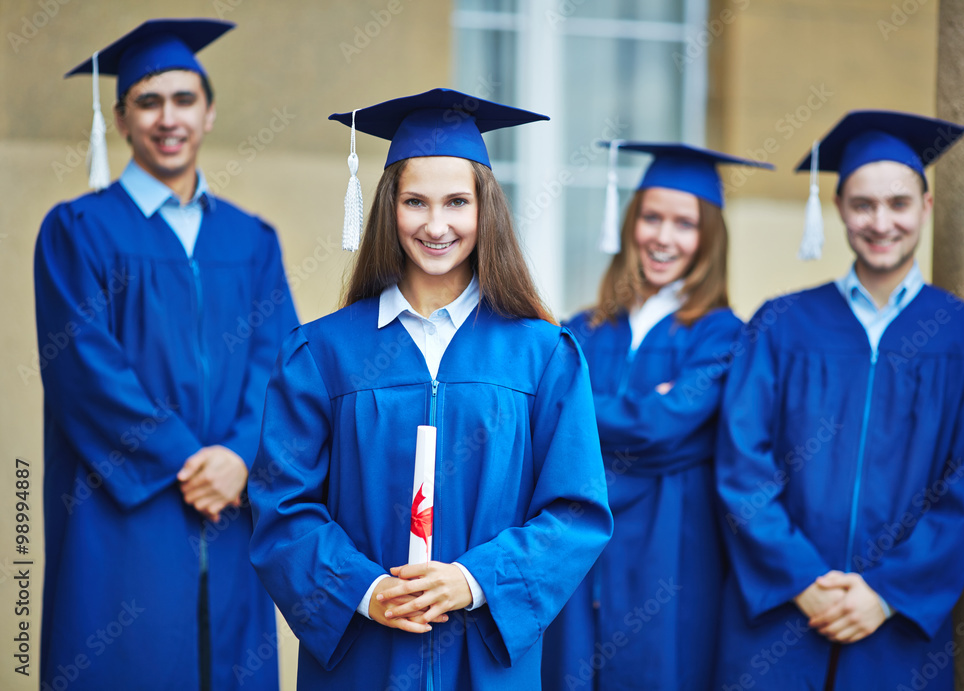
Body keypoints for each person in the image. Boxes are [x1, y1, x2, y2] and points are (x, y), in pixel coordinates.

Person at [247, 88, 613, 690]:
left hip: (486, 658)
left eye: (456, 203)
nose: (436, 225)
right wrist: (364, 591)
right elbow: (281, 507)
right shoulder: (324, 353)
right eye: (415, 201)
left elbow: (575, 512)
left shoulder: (542, 355)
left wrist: (473, 581)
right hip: (366, 654)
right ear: (389, 208)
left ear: (484, 211)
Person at [35, 19, 298, 691]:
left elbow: (280, 366)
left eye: (184, 99)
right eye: (148, 102)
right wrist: (188, 460)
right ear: (120, 118)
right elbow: (85, 371)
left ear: (208, 113)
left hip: (234, 513)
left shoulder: (252, 239)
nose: (168, 117)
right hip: (124, 511)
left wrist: (241, 456)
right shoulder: (79, 232)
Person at [714, 110, 964, 690]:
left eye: (898, 203)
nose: (881, 221)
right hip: (784, 614)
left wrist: (887, 593)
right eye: (863, 204)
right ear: (840, 209)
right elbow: (743, 462)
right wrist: (803, 579)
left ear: (926, 208)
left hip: (894, 626)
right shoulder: (782, 323)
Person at [542, 143, 769, 690]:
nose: (663, 237)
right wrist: (652, 414)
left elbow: (662, 426)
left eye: (684, 224)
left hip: (673, 543)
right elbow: (546, 423)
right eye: (652, 217)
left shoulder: (723, 334)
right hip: (579, 544)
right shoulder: (584, 328)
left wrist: (580, 416)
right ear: (630, 223)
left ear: (708, 238)